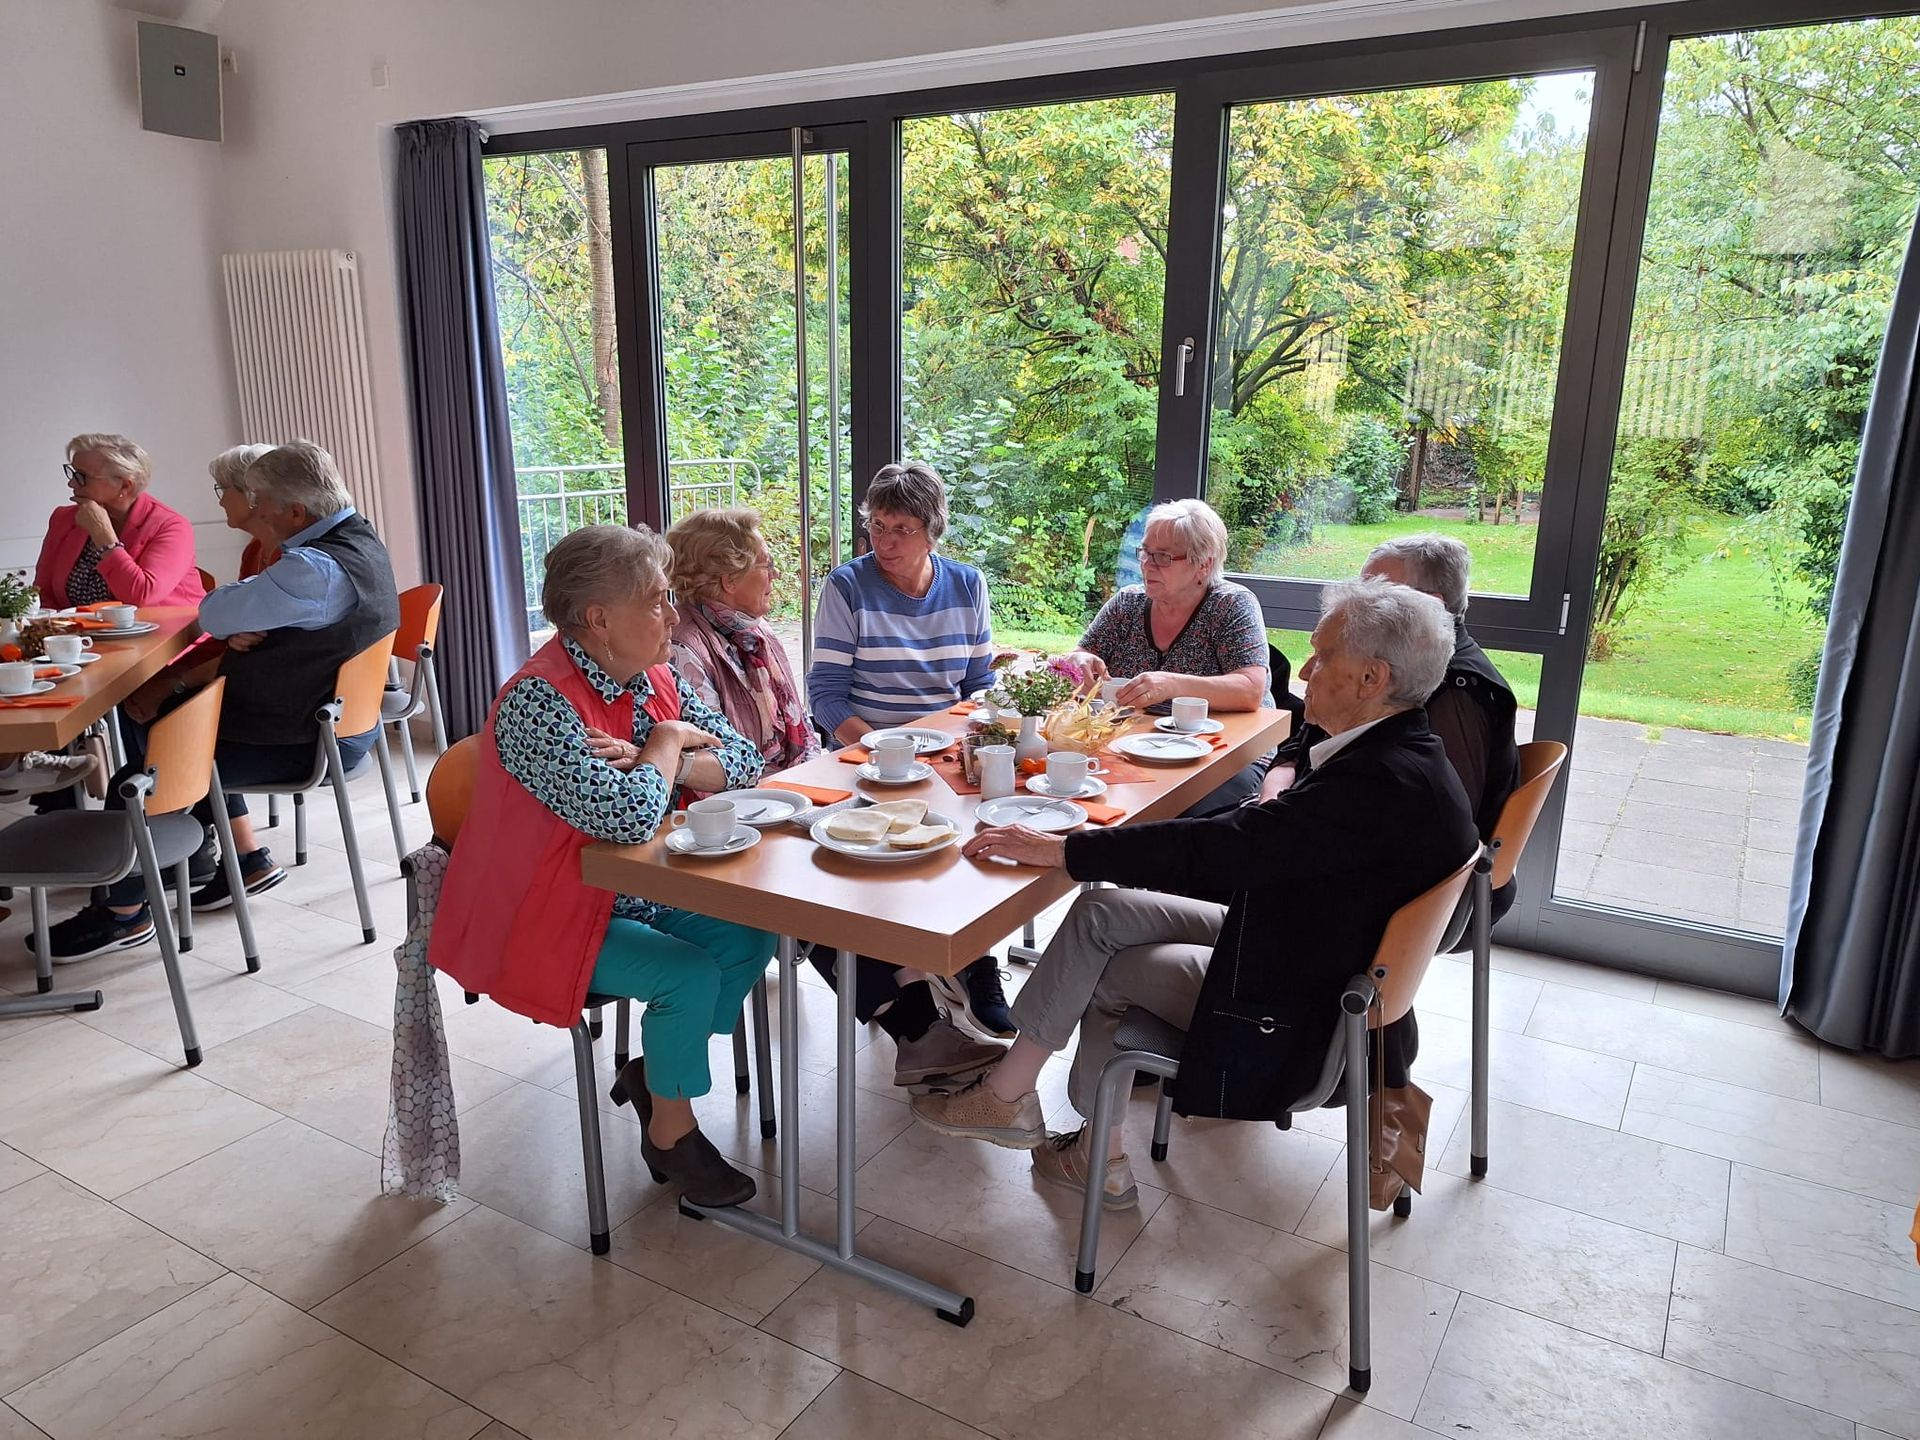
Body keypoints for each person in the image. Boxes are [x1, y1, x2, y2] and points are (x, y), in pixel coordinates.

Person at [911, 579, 1477, 1211]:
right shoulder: (1402, 751)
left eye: (1320, 657)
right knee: (1102, 910)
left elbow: (1226, 849)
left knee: (1106, 967)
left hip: (1296, 1004)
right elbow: (1245, 840)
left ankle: (1100, 1160)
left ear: (1373, 679)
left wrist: (1067, 850)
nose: (1306, 671)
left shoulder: (1375, 785)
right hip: (1307, 946)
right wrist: (1090, 849)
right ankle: (1012, 1096)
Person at [431, 524, 774, 1209]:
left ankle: (658, 1079)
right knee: (687, 972)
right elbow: (625, 817)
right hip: (537, 911)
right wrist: (670, 743)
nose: (673, 615)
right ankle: (672, 1135)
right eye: (656, 601)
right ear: (598, 620)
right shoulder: (538, 701)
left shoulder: (653, 677)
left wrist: (652, 750)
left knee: (749, 932)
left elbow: (744, 759)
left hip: (622, 894)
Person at [30, 441, 400, 960]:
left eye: (261, 502)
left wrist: (245, 608)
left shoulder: (311, 569)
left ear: (295, 510)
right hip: (334, 724)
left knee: (141, 776)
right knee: (166, 726)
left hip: (298, 738)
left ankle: (123, 913)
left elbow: (217, 613)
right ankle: (202, 856)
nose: (256, 511)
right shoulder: (359, 541)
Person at [805, 461, 1013, 1070]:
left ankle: (975, 963)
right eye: (875, 526)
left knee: (987, 849)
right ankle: (933, 979)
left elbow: (978, 682)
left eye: (901, 528)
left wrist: (975, 736)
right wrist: (883, 753)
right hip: (869, 757)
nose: (884, 542)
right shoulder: (847, 587)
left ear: (932, 531)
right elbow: (827, 696)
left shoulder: (968, 585)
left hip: (946, 754)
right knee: (892, 864)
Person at [1263, 533, 1519, 916]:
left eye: (1377, 589)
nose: (1359, 600)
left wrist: (1278, 824)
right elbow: (1309, 737)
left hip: (1418, 896)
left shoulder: (1456, 690)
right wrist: (1279, 779)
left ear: (1428, 605)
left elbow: (1431, 823)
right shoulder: (1377, 666)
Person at [1060, 498, 1274, 813]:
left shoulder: (1231, 605)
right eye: (1145, 552)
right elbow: (1080, 655)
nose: (1147, 564)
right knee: (1072, 794)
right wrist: (1077, 662)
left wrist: (1172, 684)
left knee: (1171, 822)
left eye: (1162, 557)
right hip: (1135, 747)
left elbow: (1250, 690)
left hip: (1223, 754)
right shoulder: (1128, 604)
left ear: (1203, 563)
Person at [665, 507, 816, 775]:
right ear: (730, 580)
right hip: (744, 800)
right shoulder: (682, 648)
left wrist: (816, 772)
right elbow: (714, 753)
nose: (776, 574)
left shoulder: (755, 629)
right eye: (766, 564)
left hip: (793, 781)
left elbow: (802, 726)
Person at [33, 433, 207, 611]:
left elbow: (142, 595)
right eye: (72, 473)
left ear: (125, 485)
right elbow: (43, 593)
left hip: (170, 634)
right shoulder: (63, 519)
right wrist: (59, 631)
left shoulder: (171, 526)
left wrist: (102, 535)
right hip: (84, 636)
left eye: (82, 476)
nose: (71, 483)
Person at [210, 443, 283, 579]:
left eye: (224, 489)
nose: (221, 502)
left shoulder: (295, 553)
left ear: (251, 490)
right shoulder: (254, 550)